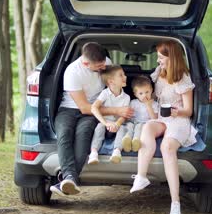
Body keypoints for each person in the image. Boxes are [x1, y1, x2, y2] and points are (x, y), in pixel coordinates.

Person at [51, 42, 133, 196]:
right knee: (64, 134)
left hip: (93, 112)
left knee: (84, 133)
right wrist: (117, 110)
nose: (103, 68)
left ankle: (68, 178)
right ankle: (69, 177)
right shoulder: (72, 72)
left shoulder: (106, 62)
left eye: (104, 64)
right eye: (99, 66)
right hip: (70, 109)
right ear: (85, 63)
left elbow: (113, 83)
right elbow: (83, 107)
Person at [130, 40, 197, 214]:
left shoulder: (183, 77)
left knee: (166, 147)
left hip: (179, 119)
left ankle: (175, 205)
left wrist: (176, 111)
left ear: (172, 58)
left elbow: (188, 110)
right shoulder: (159, 72)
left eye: (161, 57)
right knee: (147, 127)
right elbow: (147, 88)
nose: (158, 60)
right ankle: (142, 176)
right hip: (161, 117)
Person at [88, 65, 130, 164]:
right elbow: (94, 108)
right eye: (121, 75)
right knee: (99, 127)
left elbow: (124, 116)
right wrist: (105, 123)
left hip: (118, 124)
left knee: (123, 129)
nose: (125, 77)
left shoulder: (126, 97)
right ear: (111, 81)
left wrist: (117, 124)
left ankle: (117, 151)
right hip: (106, 123)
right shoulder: (105, 93)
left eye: (124, 74)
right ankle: (94, 153)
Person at [122, 75, 158, 152]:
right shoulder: (133, 103)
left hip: (144, 124)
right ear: (135, 94)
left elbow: (154, 119)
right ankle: (127, 139)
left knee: (139, 127)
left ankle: (136, 141)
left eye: (147, 92)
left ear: (151, 90)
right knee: (129, 126)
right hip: (133, 122)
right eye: (141, 93)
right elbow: (128, 116)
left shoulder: (154, 104)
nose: (144, 95)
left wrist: (148, 106)